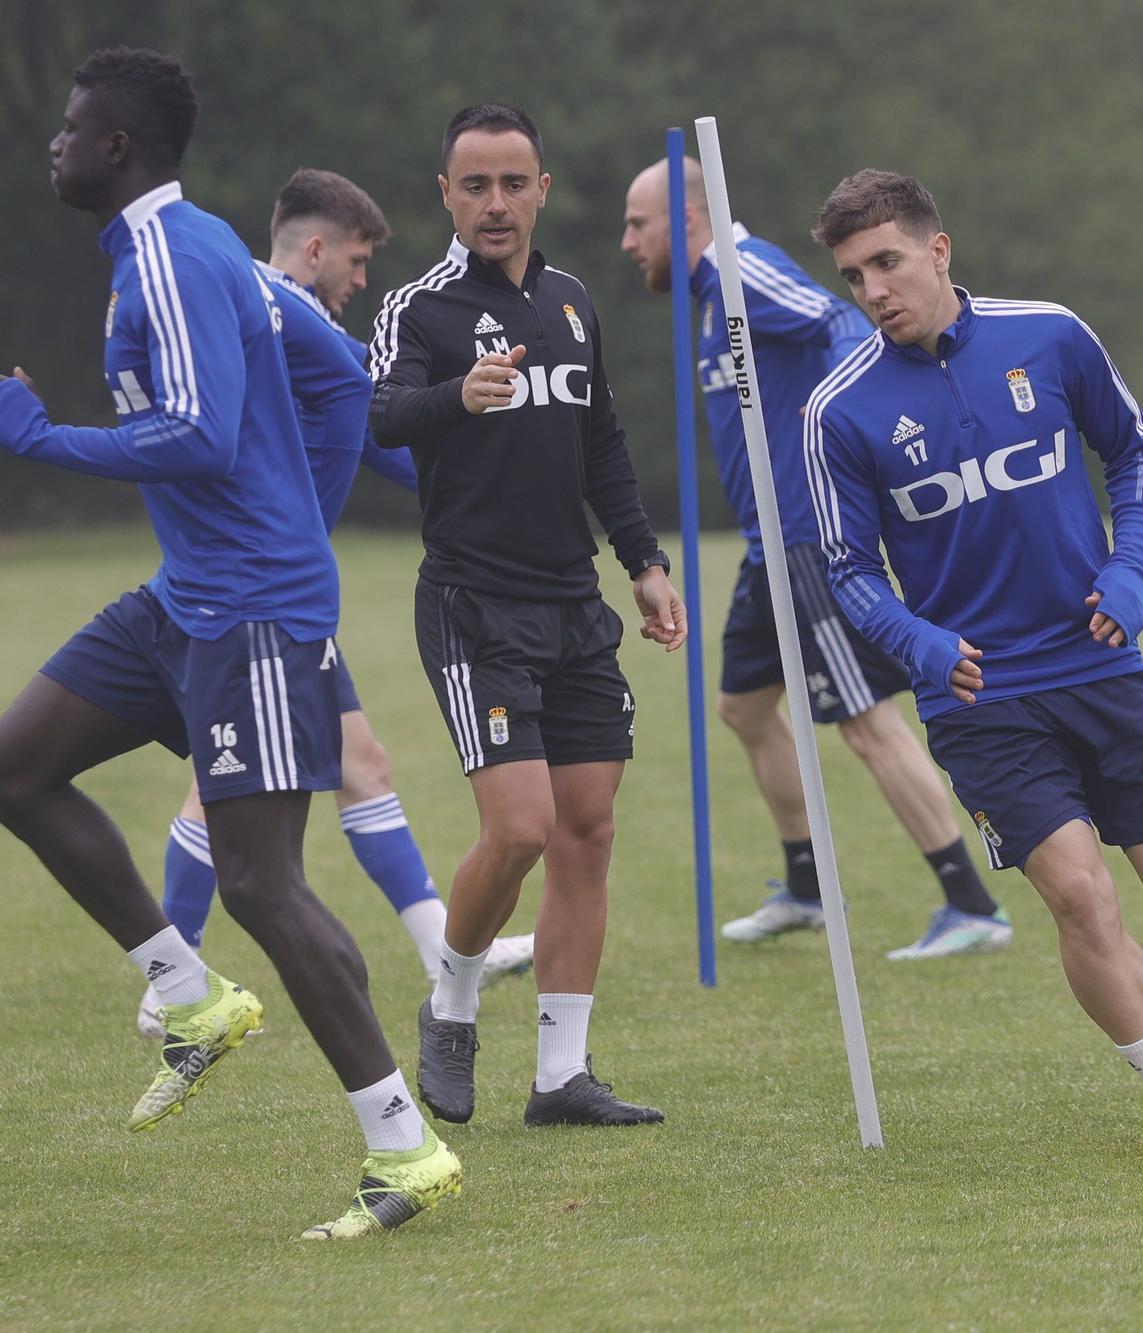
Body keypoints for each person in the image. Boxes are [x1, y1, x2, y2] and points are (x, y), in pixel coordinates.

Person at [0, 47, 460, 1237]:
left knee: (262, 881)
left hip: (252, 609)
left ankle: (403, 1153)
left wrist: (42, 439)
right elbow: (334, 369)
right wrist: (297, 501)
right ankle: (185, 990)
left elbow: (201, 438)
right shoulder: (191, 252)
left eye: (69, 127)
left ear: (117, 148)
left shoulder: (175, 251)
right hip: (186, 597)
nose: (54, 143)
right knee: (16, 765)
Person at [803, 170, 1143, 1157]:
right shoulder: (838, 411)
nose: (872, 289)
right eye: (851, 275)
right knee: (1077, 894)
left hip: (1097, 664)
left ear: (938, 249)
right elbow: (845, 571)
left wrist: (1129, 572)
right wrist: (918, 644)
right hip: (980, 697)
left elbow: (1132, 455)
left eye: (885, 261)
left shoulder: (1048, 335)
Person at [136, 168, 533, 1039]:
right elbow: (379, 406)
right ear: (314, 250)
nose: (361, 282)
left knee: (363, 764)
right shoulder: (282, 313)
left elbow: (367, 433)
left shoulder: (255, 309)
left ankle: (438, 948)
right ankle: (170, 981)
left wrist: (457, 483)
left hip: (272, 591)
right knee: (219, 787)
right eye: (355, 262)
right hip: (248, 593)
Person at [370, 103, 687, 1128]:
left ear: (543, 188)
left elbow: (603, 442)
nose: (496, 203)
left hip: (572, 603)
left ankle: (561, 1076)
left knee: (586, 830)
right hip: (475, 606)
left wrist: (640, 560)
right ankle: (450, 1003)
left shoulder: (570, 302)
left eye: (514, 183)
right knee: (519, 829)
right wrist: (456, 395)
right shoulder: (418, 310)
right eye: (475, 185)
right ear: (446, 196)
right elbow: (376, 415)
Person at [620, 158, 1011, 960]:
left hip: (809, 539)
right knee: (745, 708)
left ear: (687, 218)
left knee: (866, 722)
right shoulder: (708, 299)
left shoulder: (738, 271)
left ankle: (972, 904)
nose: (627, 241)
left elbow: (837, 324)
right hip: (770, 546)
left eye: (638, 224)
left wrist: (841, 434)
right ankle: (805, 885)